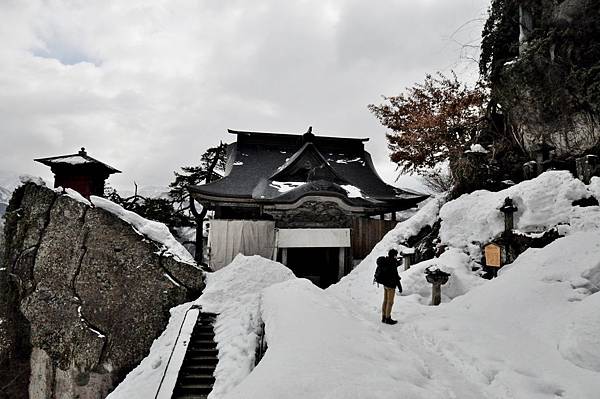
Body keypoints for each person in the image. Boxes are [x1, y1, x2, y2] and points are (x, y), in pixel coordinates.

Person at [376, 249, 402, 325]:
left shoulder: (386, 260)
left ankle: (383, 317)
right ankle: (388, 318)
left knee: (385, 301)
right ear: (394, 255)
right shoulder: (392, 263)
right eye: (395, 255)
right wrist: (399, 287)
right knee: (390, 302)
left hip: (385, 285)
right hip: (391, 286)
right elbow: (395, 276)